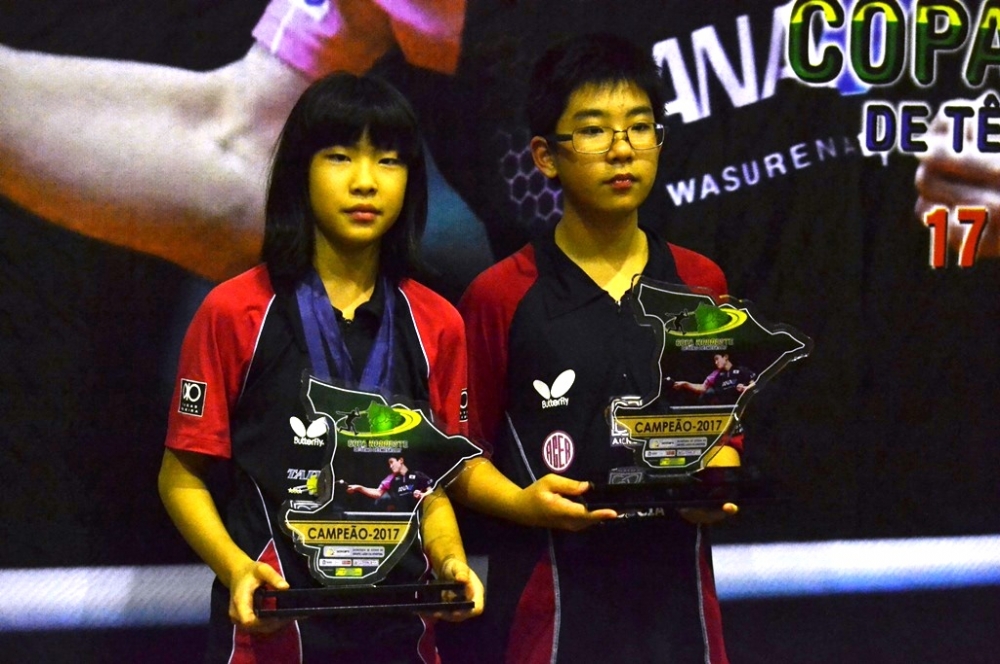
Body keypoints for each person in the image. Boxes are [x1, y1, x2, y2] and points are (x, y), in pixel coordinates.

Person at [157, 72, 483, 662]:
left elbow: (429, 486)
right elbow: (180, 478)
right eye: (339, 157)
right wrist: (236, 568)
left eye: (388, 161)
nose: (365, 181)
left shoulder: (440, 324)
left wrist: (450, 558)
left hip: (402, 638)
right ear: (300, 172)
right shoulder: (234, 312)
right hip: (272, 636)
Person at [447, 35, 737, 664]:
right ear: (545, 156)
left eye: (639, 126)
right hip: (550, 621)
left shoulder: (701, 284)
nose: (621, 148)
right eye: (594, 130)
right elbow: (459, 459)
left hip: (679, 622)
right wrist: (523, 504)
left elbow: (723, 435)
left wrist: (715, 485)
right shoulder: (499, 296)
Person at [349, 455, 434, 511]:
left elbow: (432, 490)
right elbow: (378, 493)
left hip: (418, 515)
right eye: (389, 464)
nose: (390, 466)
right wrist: (359, 488)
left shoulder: (417, 475)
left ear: (400, 460)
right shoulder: (390, 479)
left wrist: (423, 495)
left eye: (392, 462)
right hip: (401, 518)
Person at [673, 352, 757, 405]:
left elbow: (755, 383)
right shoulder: (715, 374)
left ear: (725, 357)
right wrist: (685, 384)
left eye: (717, 359)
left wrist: (746, 388)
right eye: (714, 361)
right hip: (724, 410)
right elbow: (702, 388)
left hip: (741, 408)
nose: (716, 362)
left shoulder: (741, 370)